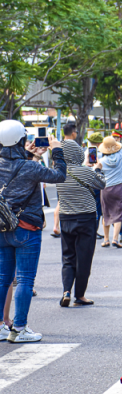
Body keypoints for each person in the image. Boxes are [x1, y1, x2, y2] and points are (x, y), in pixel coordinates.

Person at [0, 120, 66, 342]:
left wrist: (29, 155)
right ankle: (19, 328)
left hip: (2, 229)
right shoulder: (30, 167)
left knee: (2, 279)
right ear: (20, 140)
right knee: (25, 280)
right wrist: (57, 150)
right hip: (27, 228)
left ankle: (1, 326)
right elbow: (59, 176)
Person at [56, 139, 106, 308]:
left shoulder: (59, 173)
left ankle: (66, 291)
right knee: (84, 258)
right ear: (78, 153)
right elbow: (102, 184)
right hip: (86, 219)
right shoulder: (86, 172)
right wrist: (98, 169)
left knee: (68, 257)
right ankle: (80, 295)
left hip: (66, 219)